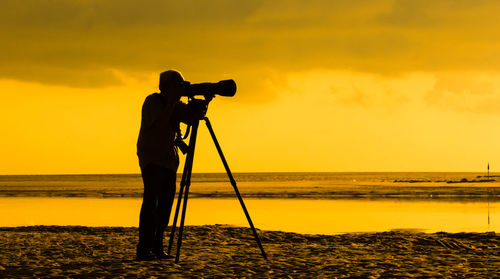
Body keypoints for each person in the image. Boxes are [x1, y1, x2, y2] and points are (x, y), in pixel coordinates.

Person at [136, 70, 204, 261]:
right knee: (151, 203)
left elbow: (190, 119)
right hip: (151, 158)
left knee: (165, 206)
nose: (180, 90)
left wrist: (202, 105)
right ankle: (144, 249)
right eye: (177, 85)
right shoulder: (153, 102)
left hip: (168, 161)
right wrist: (173, 103)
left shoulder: (175, 105)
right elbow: (159, 124)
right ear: (166, 87)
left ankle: (157, 247)